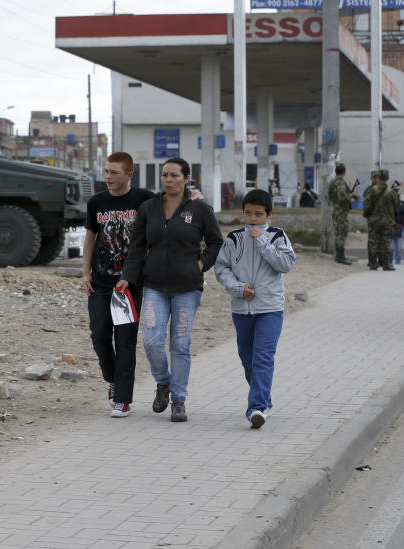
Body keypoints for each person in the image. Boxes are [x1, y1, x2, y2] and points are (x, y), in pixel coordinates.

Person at [116, 157, 224, 423]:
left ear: (186, 179)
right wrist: (128, 277)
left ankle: (178, 400)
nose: (169, 179)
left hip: (187, 287)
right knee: (152, 341)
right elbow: (137, 247)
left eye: (175, 175)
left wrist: (200, 265)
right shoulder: (148, 209)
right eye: (165, 175)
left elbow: (215, 242)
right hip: (154, 285)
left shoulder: (200, 209)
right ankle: (163, 383)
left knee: (180, 344)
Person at [214, 190, 296, 429]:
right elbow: (221, 268)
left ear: (268, 215)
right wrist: (239, 288)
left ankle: (256, 407)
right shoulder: (233, 238)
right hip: (241, 309)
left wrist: (261, 240)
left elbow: (286, 264)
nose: (252, 219)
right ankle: (264, 400)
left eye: (258, 214)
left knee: (263, 357)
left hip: (270, 308)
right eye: (248, 213)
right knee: (247, 359)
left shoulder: (277, 236)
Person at [82, 152, 154, 418]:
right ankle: (112, 378)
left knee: (125, 342)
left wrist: (194, 198)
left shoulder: (145, 199)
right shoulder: (96, 202)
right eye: (106, 172)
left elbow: (172, 206)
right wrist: (85, 273)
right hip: (100, 283)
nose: (108, 177)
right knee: (99, 335)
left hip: (130, 285)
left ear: (129, 174)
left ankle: (123, 400)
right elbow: (90, 239)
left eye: (114, 172)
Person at [362, 169, 398, 271]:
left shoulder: (371, 190)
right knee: (386, 241)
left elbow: (367, 204)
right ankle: (386, 263)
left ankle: (373, 263)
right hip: (386, 220)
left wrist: (367, 214)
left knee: (373, 240)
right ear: (387, 178)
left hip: (373, 220)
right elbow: (396, 205)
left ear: (378, 178)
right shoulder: (391, 192)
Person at [326, 163, 355, 265]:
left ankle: (339, 255)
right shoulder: (340, 183)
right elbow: (342, 196)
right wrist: (351, 197)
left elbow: (329, 195)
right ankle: (340, 256)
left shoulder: (332, 182)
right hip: (341, 211)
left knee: (338, 232)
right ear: (344, 172)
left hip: (335, 209)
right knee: (342, 233)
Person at [390, 186, 404, 265]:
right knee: (391, 248)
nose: (397, 194)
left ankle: (398, 263)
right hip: (391, 228)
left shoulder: (402, 204)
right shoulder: (389, 204)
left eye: (397, 192)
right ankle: (389, 262)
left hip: (402, 228)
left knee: (399, 248)